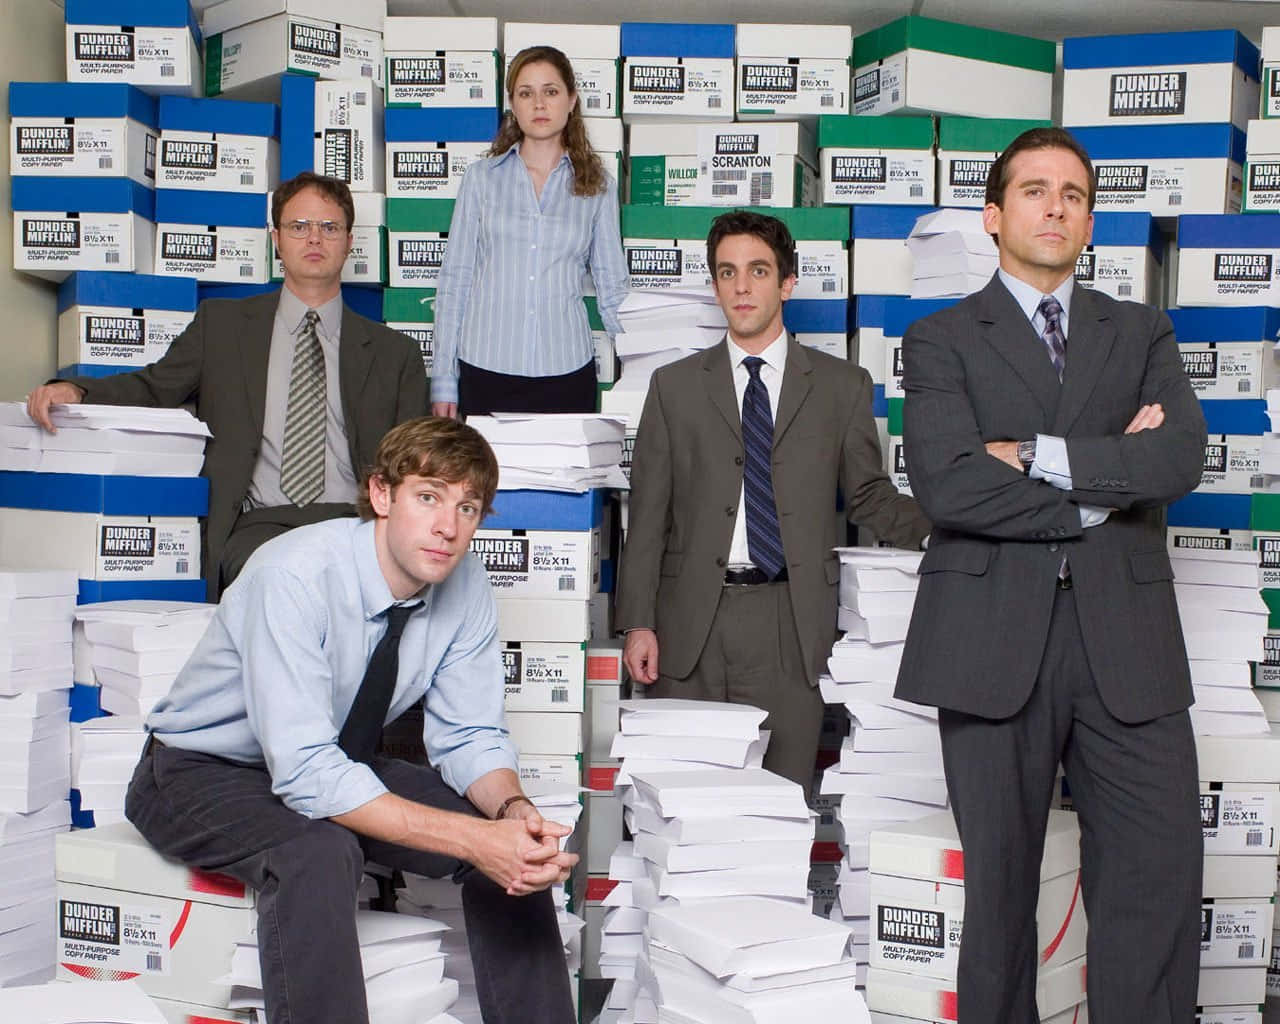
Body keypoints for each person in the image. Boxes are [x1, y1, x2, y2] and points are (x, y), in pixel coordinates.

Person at [895, 127, 1206, 1023]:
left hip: (1129, 645)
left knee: (1155, 883)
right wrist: (1104, 489)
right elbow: (950, 483)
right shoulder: (942, 337)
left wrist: (1034, 455)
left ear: (1090, 220)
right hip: (992, 643)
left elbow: (1178, 458)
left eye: (1072, 193)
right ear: (994, 216)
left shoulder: (1143, 330)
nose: (1054, 206)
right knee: (996, 899)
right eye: (1033, 190)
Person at [124, 416, 578, 1024]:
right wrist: (474, 839)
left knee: (505, 841)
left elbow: (470, 735)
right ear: (381, 495)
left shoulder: (463, 581)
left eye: (468, 508)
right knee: (319, 850)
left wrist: (512, 814)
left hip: (331, 759)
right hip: (197, 771)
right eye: (428, 498)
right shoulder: (292, 575)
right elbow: (305, 772)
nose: (448, 527)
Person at [615, 210, 929, 789]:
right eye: (727, 272)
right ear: (713, 286)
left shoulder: (842, 386)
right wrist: (638, 622)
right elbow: (650, 512)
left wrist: (943, 530)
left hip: (793, 621)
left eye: (758, 271)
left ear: (787, 282)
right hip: (690, 626)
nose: (741, 286)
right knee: (685, 805)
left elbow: (867, 495)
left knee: (783, 806)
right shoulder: (674, 387)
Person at [25, 171, 427, 600]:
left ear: (349, 242)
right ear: (276, 239)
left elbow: (415, 468)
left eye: (329, 228)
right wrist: (78, 392)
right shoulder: (221, 326)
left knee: (359, 587)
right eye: (299, 226)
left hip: (355, 522)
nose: (314, 239)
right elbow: (153, 387)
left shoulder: (395, 353)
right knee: (284, 586)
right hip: (258, 525)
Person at [431, 45, 629, 420]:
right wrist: (443, 376)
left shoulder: (598, 185)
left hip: (566, 372)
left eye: (550, 91)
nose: (539, 104)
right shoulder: (480, 180)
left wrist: (641, 367)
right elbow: (455, 280)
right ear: (513, 105)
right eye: (526, 93)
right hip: (484, 369)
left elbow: (611, 286)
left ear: (571, 100)